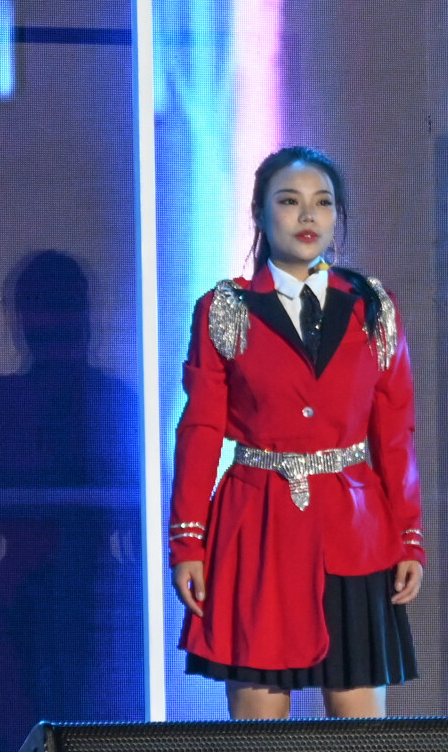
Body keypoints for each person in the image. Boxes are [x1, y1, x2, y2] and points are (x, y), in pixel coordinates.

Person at [167, 146, 425, 719]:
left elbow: (395, 432)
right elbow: (200, 430)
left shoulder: (372, 307)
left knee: (361, 745)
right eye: (289, 201)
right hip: (255, 533)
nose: (308, 216)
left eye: (322, 203)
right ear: (259, 214)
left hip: (353, 532)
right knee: (261, 747)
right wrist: (187, 543)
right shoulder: (225, 308)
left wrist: (409, 537)